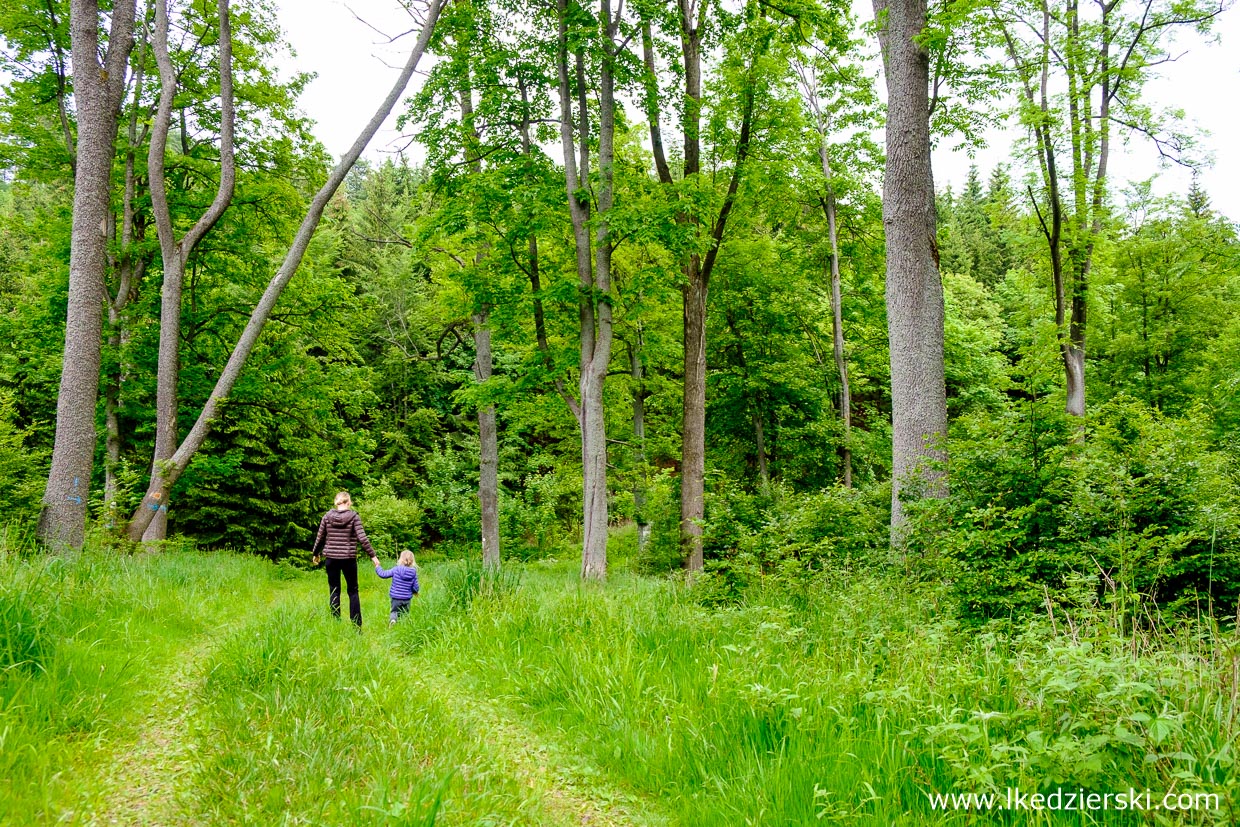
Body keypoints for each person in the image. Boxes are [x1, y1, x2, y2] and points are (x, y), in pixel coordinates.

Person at [311, 491, 378, 627]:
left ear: (337, 502)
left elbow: (320, 537)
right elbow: (362, 538)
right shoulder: (354, 517)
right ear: (349, 502)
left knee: (334, 589)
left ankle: (335, 624)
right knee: (353, 591)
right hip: (348, 558)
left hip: (331, 558)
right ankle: (356, 626)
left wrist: (315, 553)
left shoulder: (327, 517)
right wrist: (373, 556)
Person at [374, 549, 420, 625]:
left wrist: (378, 567)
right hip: (407, 599)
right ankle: (403, 626)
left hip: (396, 598)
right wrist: (415, 592)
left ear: (401, 559)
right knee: (405, 613)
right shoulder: (413, 572)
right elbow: (416, 587)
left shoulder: (396, 569)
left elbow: (383, 574)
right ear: (412, 561)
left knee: (394, 611)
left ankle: (393, 620)